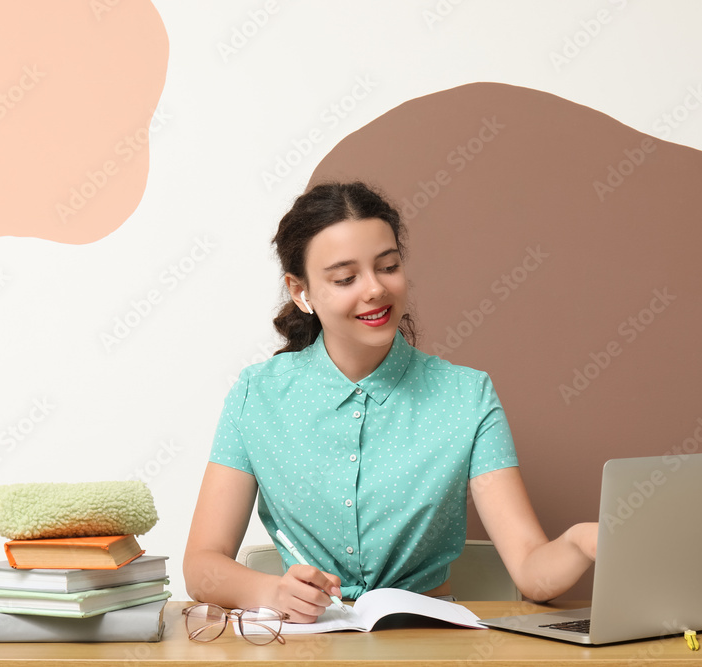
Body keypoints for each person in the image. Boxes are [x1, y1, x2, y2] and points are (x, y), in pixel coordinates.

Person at [183, 182, 598, 623]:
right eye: (345, 278)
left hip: (429, 639)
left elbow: (531, 571)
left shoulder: (467, 395)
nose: (375, 289)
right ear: (300, 292)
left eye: (388, 267)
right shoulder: (256, 394)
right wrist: (274, 591)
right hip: (307, 642)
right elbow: (201, 566)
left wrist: (581, 541)